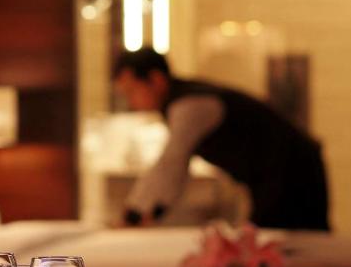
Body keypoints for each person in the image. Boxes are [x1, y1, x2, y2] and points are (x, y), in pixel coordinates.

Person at [112, 47, 330, 231]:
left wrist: (133, 215)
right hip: (281, 172)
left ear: (156, 80)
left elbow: (171, 164)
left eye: (131, 91)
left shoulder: (189, 106)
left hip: (292, 171)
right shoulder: (184, 102)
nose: (131, 102)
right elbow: (173, 171)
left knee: (285, 249)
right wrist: (147, 211)